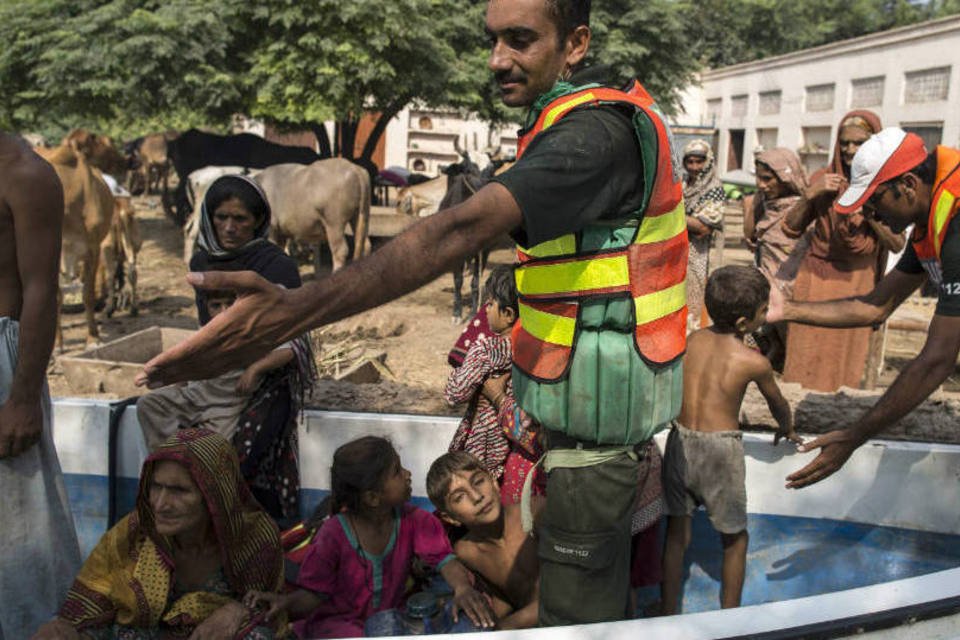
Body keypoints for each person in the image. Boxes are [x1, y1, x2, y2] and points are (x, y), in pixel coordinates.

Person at [140, 0, 687, 625]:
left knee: (571, 620)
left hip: (594, 458)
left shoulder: (597, 133)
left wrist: (292, 312)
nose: (496, 59)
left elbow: (460, 229)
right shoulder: (570, 125)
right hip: (577, 444)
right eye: (492, 39)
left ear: (576, 43)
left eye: (520, 39)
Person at [772, 127, 960, 488]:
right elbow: (875, 306)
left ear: (907, 184)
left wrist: (854, 435)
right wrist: (788, 310)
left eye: (874, 199)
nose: (869, 211)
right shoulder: (930, 217)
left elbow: (939, 358)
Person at [32, 428, 284, 640]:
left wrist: (239, 610)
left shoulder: (253, 539)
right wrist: (65, 630)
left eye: (179, 490)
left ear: (215, 497)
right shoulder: (135, 532)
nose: (161, 504)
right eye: (156, 487)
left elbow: (268, 609)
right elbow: (90, 607)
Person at [243, 436, 494, 638]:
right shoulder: (333, 535)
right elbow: (314, 595)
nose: (407, 474)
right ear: (373, 498)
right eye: (397, 471)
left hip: (388, 624)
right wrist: (285, 604)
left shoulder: (416, 520)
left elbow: (444, 561)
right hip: (336, 628)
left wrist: (462, 588)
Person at [660, 266, 800, 615]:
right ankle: (730, 618)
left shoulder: (692, 341)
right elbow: (778, 404)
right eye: (763, 311)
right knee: (736, 539)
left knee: (677, 535)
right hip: (719, 451)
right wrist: (786, 426)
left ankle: (666, 610)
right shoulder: (753, 362)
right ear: (742, 324)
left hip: (679, 442)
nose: (767, 316)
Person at [190, 174, 316, 524]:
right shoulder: (202, 264)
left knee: (239, 460)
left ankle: (250, 544)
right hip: (220, 373)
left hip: (269, 377)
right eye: (221, 217)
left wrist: (256, 366)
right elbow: (208, 328)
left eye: (240, 219)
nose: (229, 227)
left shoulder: (278, 267)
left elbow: (295, 336)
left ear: (259, 221)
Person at [0, 131, 82, 640]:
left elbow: (41, 290)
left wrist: (24, 399)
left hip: (3, 366)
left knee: (19, 528)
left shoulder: (25, 173)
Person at [781, 111, 905, 391]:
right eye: (845, 143)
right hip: (816, 278)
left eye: (859, 143)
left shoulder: (886, 186)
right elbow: (790, 228)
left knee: (844, 361)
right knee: (805, 355)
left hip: (858, 282)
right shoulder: (823, 180)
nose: (850, 150)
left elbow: (898, 243)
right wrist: (810, 195)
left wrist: (870, 211)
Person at [137, 286, 295, 450]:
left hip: (225, 406)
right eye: (216, 306)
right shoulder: (206, 332)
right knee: (148, 404)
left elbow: (287, 351)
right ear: (207, 308)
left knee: (215, 452)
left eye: (230, 303)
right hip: (194, 397)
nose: (224, 311)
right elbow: (188, 361)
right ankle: (168, 457)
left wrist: (254, 369)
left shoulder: (253, 331)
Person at [445, 265, 544, 504]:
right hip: (513, 452)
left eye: (489, 304)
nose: (485, 311)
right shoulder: (536, 351)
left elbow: (454, 394)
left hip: (483, 449)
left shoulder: (486, 349)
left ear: (509, 314)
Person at [427, 451, 541, 630]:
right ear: (450, 518)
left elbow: (572, 592)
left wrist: (503, 628)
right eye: (460, 497)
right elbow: (506, 596)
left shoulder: (534, 513)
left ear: (494, 482)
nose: (477, 496)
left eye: (479, 481)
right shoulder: (467, 552)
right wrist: (482, 622)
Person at [746, 148, 809, 367]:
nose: (761, 184)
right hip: (765, 280)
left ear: (785, 177)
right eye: (758, 177)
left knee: (792, 338)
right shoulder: (764, 204)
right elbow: (750, 234)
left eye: (767, 179)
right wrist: (753, 203)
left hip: (792, 286)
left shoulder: (804, 207)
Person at [682, 139, 726, 330]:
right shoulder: (682, 184)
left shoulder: (713, 188)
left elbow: (702, 227)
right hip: (674, 249)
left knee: (693, 301)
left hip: (697, 253)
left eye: (699, 162)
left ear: (708, 161)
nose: (694, 167)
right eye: (689, 162)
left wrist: (671, 214)